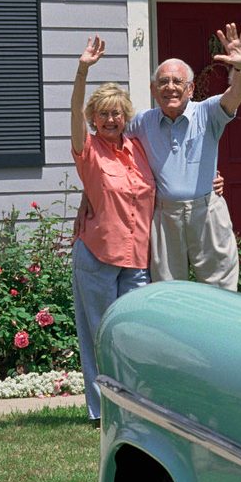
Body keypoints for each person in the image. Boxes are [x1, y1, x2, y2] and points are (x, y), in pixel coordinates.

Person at [123, 23, 241, 291]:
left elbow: (237, 93)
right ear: (153, 89)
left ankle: (218, 334)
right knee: (168, 292)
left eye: (177, 81)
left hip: (206, 212)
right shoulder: (141, 123)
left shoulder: (208, 112)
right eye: (163, 82)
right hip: (165, 214)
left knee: (221, 290)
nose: (170, 87)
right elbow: (107, 143)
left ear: (191, 89)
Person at [70, 36, 155, 423]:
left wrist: (213, 179)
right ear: (93, 118)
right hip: (98, 255)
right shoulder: (88, 149)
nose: (110, 120)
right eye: (102, 114)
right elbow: (73, 114)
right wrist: (83, 70)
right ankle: (102, 411)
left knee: (132, 337)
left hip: (137, 256)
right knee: (99, 336)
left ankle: (133, 409)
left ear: (125, 116)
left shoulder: (138, 147)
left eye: (116, 114)